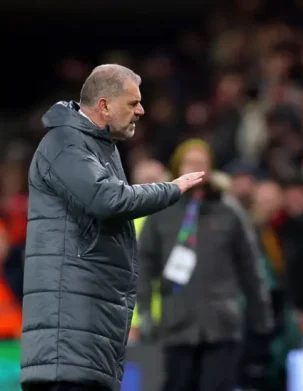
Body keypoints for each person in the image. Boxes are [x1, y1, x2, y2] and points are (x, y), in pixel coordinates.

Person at [21, 64, 205, 391]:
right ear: (104, 105)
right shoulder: (65, 143)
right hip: (69, 339)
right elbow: (108, 200)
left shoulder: (98, 147)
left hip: (88, 332)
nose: (141, 111)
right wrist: (171, 188)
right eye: (133, 103)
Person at [137, 139, 273, 391]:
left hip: (221, 325)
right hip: (176, 324)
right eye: (190, 163)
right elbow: (143, 264)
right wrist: (144, 311)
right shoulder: (160, 211)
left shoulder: (229, 211)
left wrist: (261, 317)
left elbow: (250, 267)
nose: (196, 169)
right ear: (177, 168)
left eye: (202, 164)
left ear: (211, 169)